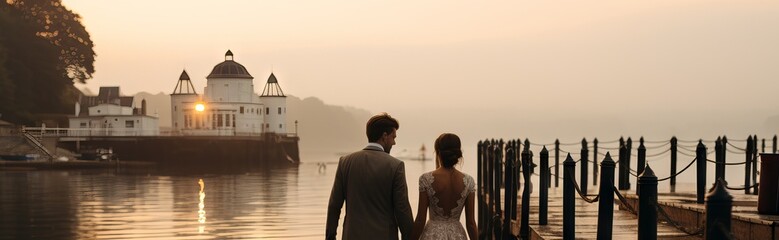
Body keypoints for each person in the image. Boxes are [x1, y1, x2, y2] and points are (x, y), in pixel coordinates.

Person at [326, 113, 414, 240]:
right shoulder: (395, 166)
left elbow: (334, 205)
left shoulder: (345, 162)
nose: (394, 142)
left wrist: (330, 237)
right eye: (393, 137)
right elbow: (402, 210)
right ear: (384, 136)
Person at [411, 133, 477, 240]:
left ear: (438, 152)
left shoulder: (426, 179)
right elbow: (471, 223)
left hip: (432, 235)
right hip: (457, 235)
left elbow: (420, 220)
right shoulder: (469, 181)